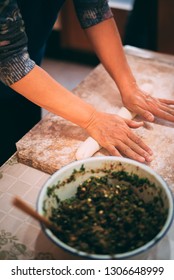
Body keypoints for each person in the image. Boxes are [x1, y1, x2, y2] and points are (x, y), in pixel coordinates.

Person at [0, 0, 174, 166]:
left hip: (30, 70)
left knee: (24, 138)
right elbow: (9, 58)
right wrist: (93, 119)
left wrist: (129, 86)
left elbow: (95, 9)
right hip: (9, 67)